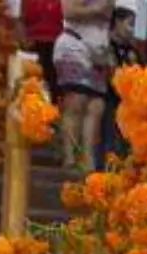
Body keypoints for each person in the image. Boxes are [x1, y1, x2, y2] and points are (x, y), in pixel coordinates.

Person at [53, 0, 114, 173]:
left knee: (96, 106)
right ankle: (70, 158)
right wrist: (96, 8)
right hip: (74, 45)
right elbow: (69, 11)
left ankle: (88, 160)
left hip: (98, 53)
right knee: (77, 101)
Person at [96, 6, 144, 169]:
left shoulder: (132, 51)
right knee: (107, 139)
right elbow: (109, 74)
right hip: (108, 100)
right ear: (116, 22)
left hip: (129, 105)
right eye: (129, 25)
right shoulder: (105, 46)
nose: (132, 31)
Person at [20, 0, 64, 100]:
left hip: (56, 41)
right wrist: (23, 39)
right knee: (35, 80)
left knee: (53, 81)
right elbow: (21, 18)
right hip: (33, 42)